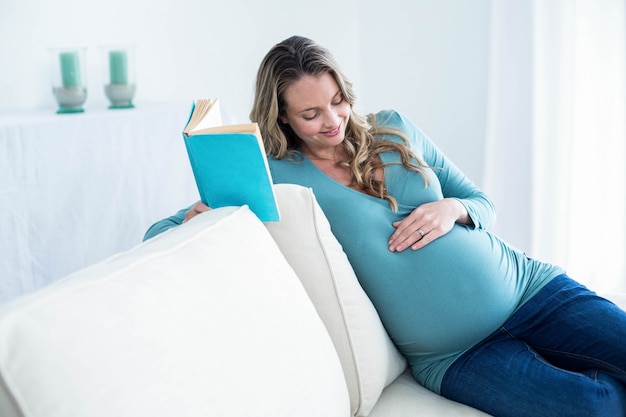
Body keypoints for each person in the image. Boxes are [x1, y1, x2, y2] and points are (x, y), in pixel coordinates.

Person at [144, 35, 626, 417]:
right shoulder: (273, 173)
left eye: (337, 101)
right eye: (311, 114)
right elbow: (160, 231)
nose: (332, 120)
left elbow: (482, 201)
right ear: (283, 117)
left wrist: (452, 208)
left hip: (530, 289)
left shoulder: (394, 127)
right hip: (457, 354)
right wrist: (195, 218)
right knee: (595, 407)